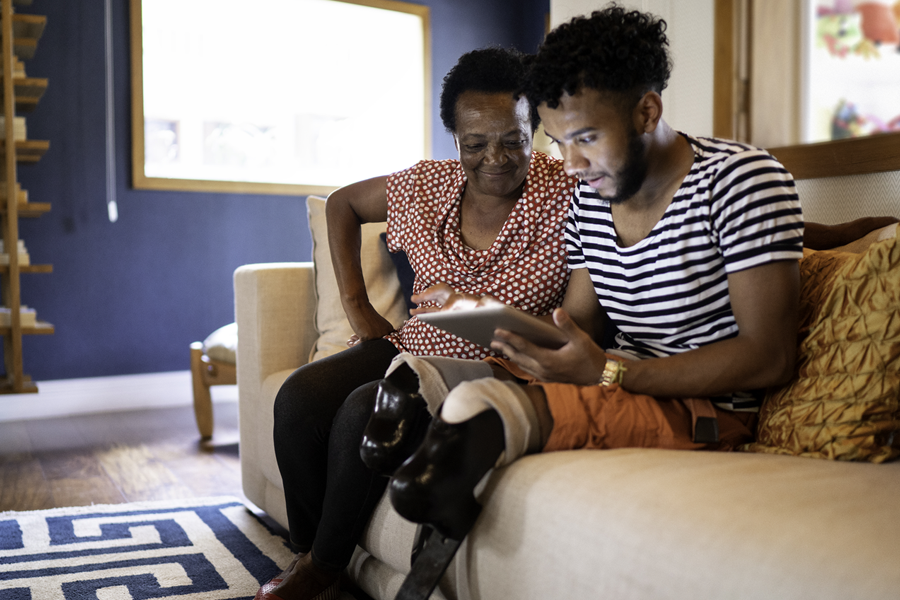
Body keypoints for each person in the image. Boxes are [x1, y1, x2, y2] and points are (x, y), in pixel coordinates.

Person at [384, 5, 843, 597]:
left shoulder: (742, 182)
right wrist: (481, 314)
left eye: (586, 139)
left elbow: (769, 356)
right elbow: (575, 323)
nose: (570, 166)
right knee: (413, 379)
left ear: (647, 110)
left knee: (465, 433)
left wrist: (608, 371)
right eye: (558, 141)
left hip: (705, 408)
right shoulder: (591, 200)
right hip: (615, 377)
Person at [257, 47, 578, 600]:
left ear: (536, 129)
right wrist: (358, 306)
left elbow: (577, 326)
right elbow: (342, 205)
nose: (495, 158)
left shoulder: (568, 192)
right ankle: (312, 557)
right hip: (413, 345)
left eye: (514, 139)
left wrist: (468, 311)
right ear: (454, 137)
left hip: (498, 364)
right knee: (298, 400)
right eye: (475, 143)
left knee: (364, 409)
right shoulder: (427, 185)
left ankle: (320, 571)